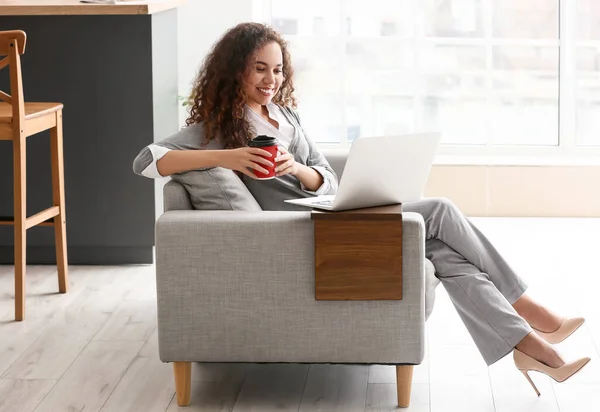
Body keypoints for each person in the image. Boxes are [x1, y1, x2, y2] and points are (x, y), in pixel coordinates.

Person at [132, 22, 590, 394]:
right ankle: (531, 313)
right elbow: (147, 160)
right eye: (259, 69)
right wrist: (227, 157)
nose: (270, 81)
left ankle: (529, 345)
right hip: (298, 231)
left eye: (277, 70)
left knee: (445, 253)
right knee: (441, 211)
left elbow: (325, 177)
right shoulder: (215, 127)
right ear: (234, 71)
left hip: (328, 209)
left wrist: (297, 169)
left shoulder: (286, 118)